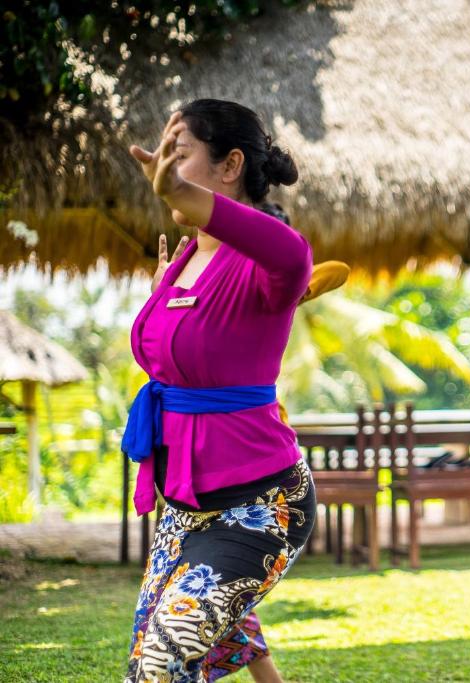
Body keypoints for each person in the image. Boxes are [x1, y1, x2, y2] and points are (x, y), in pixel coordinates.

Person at [122, 99, 315, 682]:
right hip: (183, 505)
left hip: (261, 504)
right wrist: (162, 300)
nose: (165, 168)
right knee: (183, 635)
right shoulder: (182, 260)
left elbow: (294, 256)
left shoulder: (268, 257)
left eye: (179, 157)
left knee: (158, 664)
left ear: (230, 165)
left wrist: (184, 199)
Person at [150, 228, 351, 682]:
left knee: (197, 616)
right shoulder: (206, 326)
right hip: (190, 493)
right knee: (214, 608)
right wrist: (165, 301)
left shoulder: (256, 328)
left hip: (254, 485)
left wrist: (289, 293)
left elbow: (330, 271)